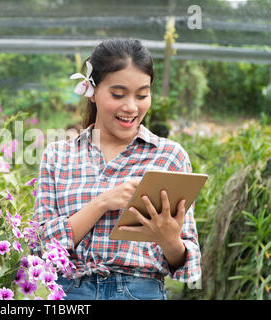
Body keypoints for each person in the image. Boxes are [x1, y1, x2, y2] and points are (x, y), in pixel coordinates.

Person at [32, 38, 201, 300]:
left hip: (141, 291)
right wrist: (101, 203)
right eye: (118, 94)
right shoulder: (58, 156)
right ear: (92, 91)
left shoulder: (169, 157)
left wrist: (169, 239)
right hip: (72, 292)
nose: (131, 107)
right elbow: (39, 245)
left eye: (142, 95)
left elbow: (185, 262)